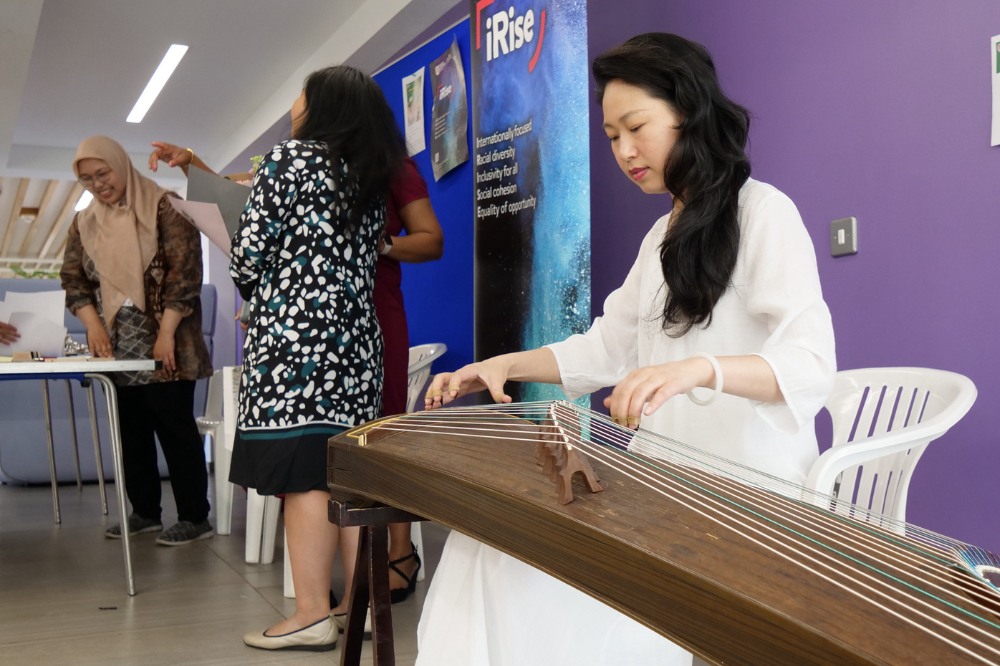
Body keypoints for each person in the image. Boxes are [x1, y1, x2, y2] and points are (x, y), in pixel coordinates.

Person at [418, 33, 836, 665]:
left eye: (635, 127)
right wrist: (502, 365)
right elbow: (603, 349)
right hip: (662, 481)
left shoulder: (766, 214)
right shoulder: (660, 237)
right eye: (612, 136)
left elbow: (810, 365)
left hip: (746, 489)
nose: (624, 151)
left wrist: (699, 370)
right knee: (487, 546)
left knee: (550, 590)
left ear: (689, 114)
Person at [149, 140, 444, 608]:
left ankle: (399, 552)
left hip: (370, 306)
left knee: (375, 438)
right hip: (307, 319)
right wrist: (196, 165)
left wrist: (379, 243)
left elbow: (431, 238)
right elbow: (245, 202)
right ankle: (322, 587)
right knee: (308, 448)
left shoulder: (385, 161)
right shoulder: (302, 163)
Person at [222, 65, 405, 652]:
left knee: (305, 472)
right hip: (357, 341)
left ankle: (310, 613)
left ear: (321, 106)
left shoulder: (287, 160)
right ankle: (360, 608)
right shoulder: (372, 173)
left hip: (297, 342)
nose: (292, 106)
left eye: (299, 95)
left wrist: (265, 294)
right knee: (348, 472)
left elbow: (248, 256)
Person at [60, 135, 214, 546]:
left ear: (120, 165)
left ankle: (195, 517)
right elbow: (73, 278)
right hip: (116, 346)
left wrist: (165, 334)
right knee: (130, 433)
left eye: (103, 173)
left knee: (175, 430)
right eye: (88, 179)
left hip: (169, 342)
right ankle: (145, 513)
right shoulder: (85, 221)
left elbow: (185, 275)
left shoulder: (164, 206)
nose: (98, 185)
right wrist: (92, 324)